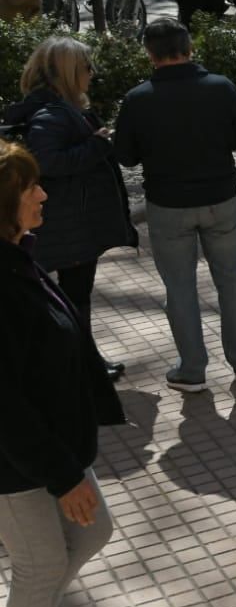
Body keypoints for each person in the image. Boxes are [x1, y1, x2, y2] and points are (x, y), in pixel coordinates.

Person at [0, 138, 123, 607]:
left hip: (54, 447)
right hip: (16, 461)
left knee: (91, 531)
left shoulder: (17, 253)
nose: (43, 194)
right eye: (31, 188)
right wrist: (62, 473)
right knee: (40, 562)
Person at [113, 20, 236, 392]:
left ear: (149, 53)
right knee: (232, 282)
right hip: (221, 197)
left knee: (179, 288)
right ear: (189, 47)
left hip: (167, 203)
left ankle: (192, 369)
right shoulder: (220, 87)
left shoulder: (138, 98)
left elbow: (126, 157)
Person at [1, 37, 137, 381]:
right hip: (68, 226)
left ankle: (81, 361)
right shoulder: (53, 113)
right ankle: (83, 367)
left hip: (66, 224)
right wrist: (97, 145)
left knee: (71, 297)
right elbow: (46, 161)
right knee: (75, 298)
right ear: (69, 73)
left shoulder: (53, 108)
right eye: (87, 68)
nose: (92, 74)